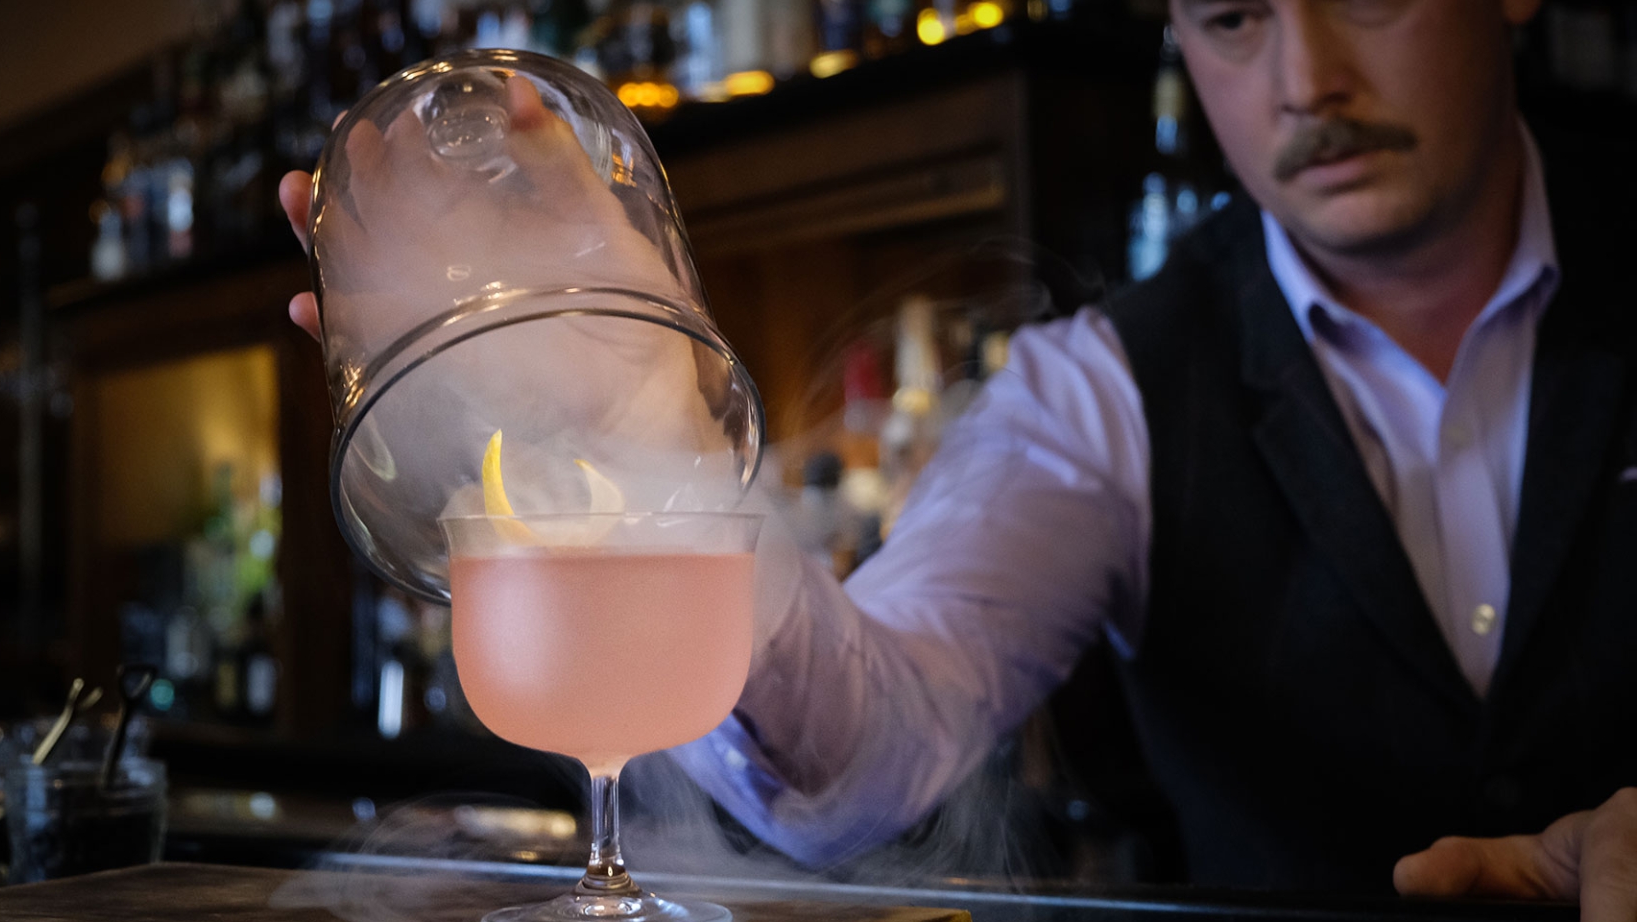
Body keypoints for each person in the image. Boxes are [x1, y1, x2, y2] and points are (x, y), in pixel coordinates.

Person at [277, 0, 1637, 913]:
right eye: (1230, 16)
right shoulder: (1101, 390)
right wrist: (657, 442)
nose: (1308, 79)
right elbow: (868, 758)